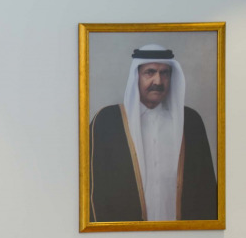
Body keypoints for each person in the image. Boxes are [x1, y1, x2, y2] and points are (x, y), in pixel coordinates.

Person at [89, 44, 217, 222]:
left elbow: (206, 186)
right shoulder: (107, 121)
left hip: (182, 236)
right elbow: (95, 189)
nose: (158, 81)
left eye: (165, 73)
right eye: (150, 72)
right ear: (136, 76)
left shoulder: (190, 121)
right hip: (126, 236)